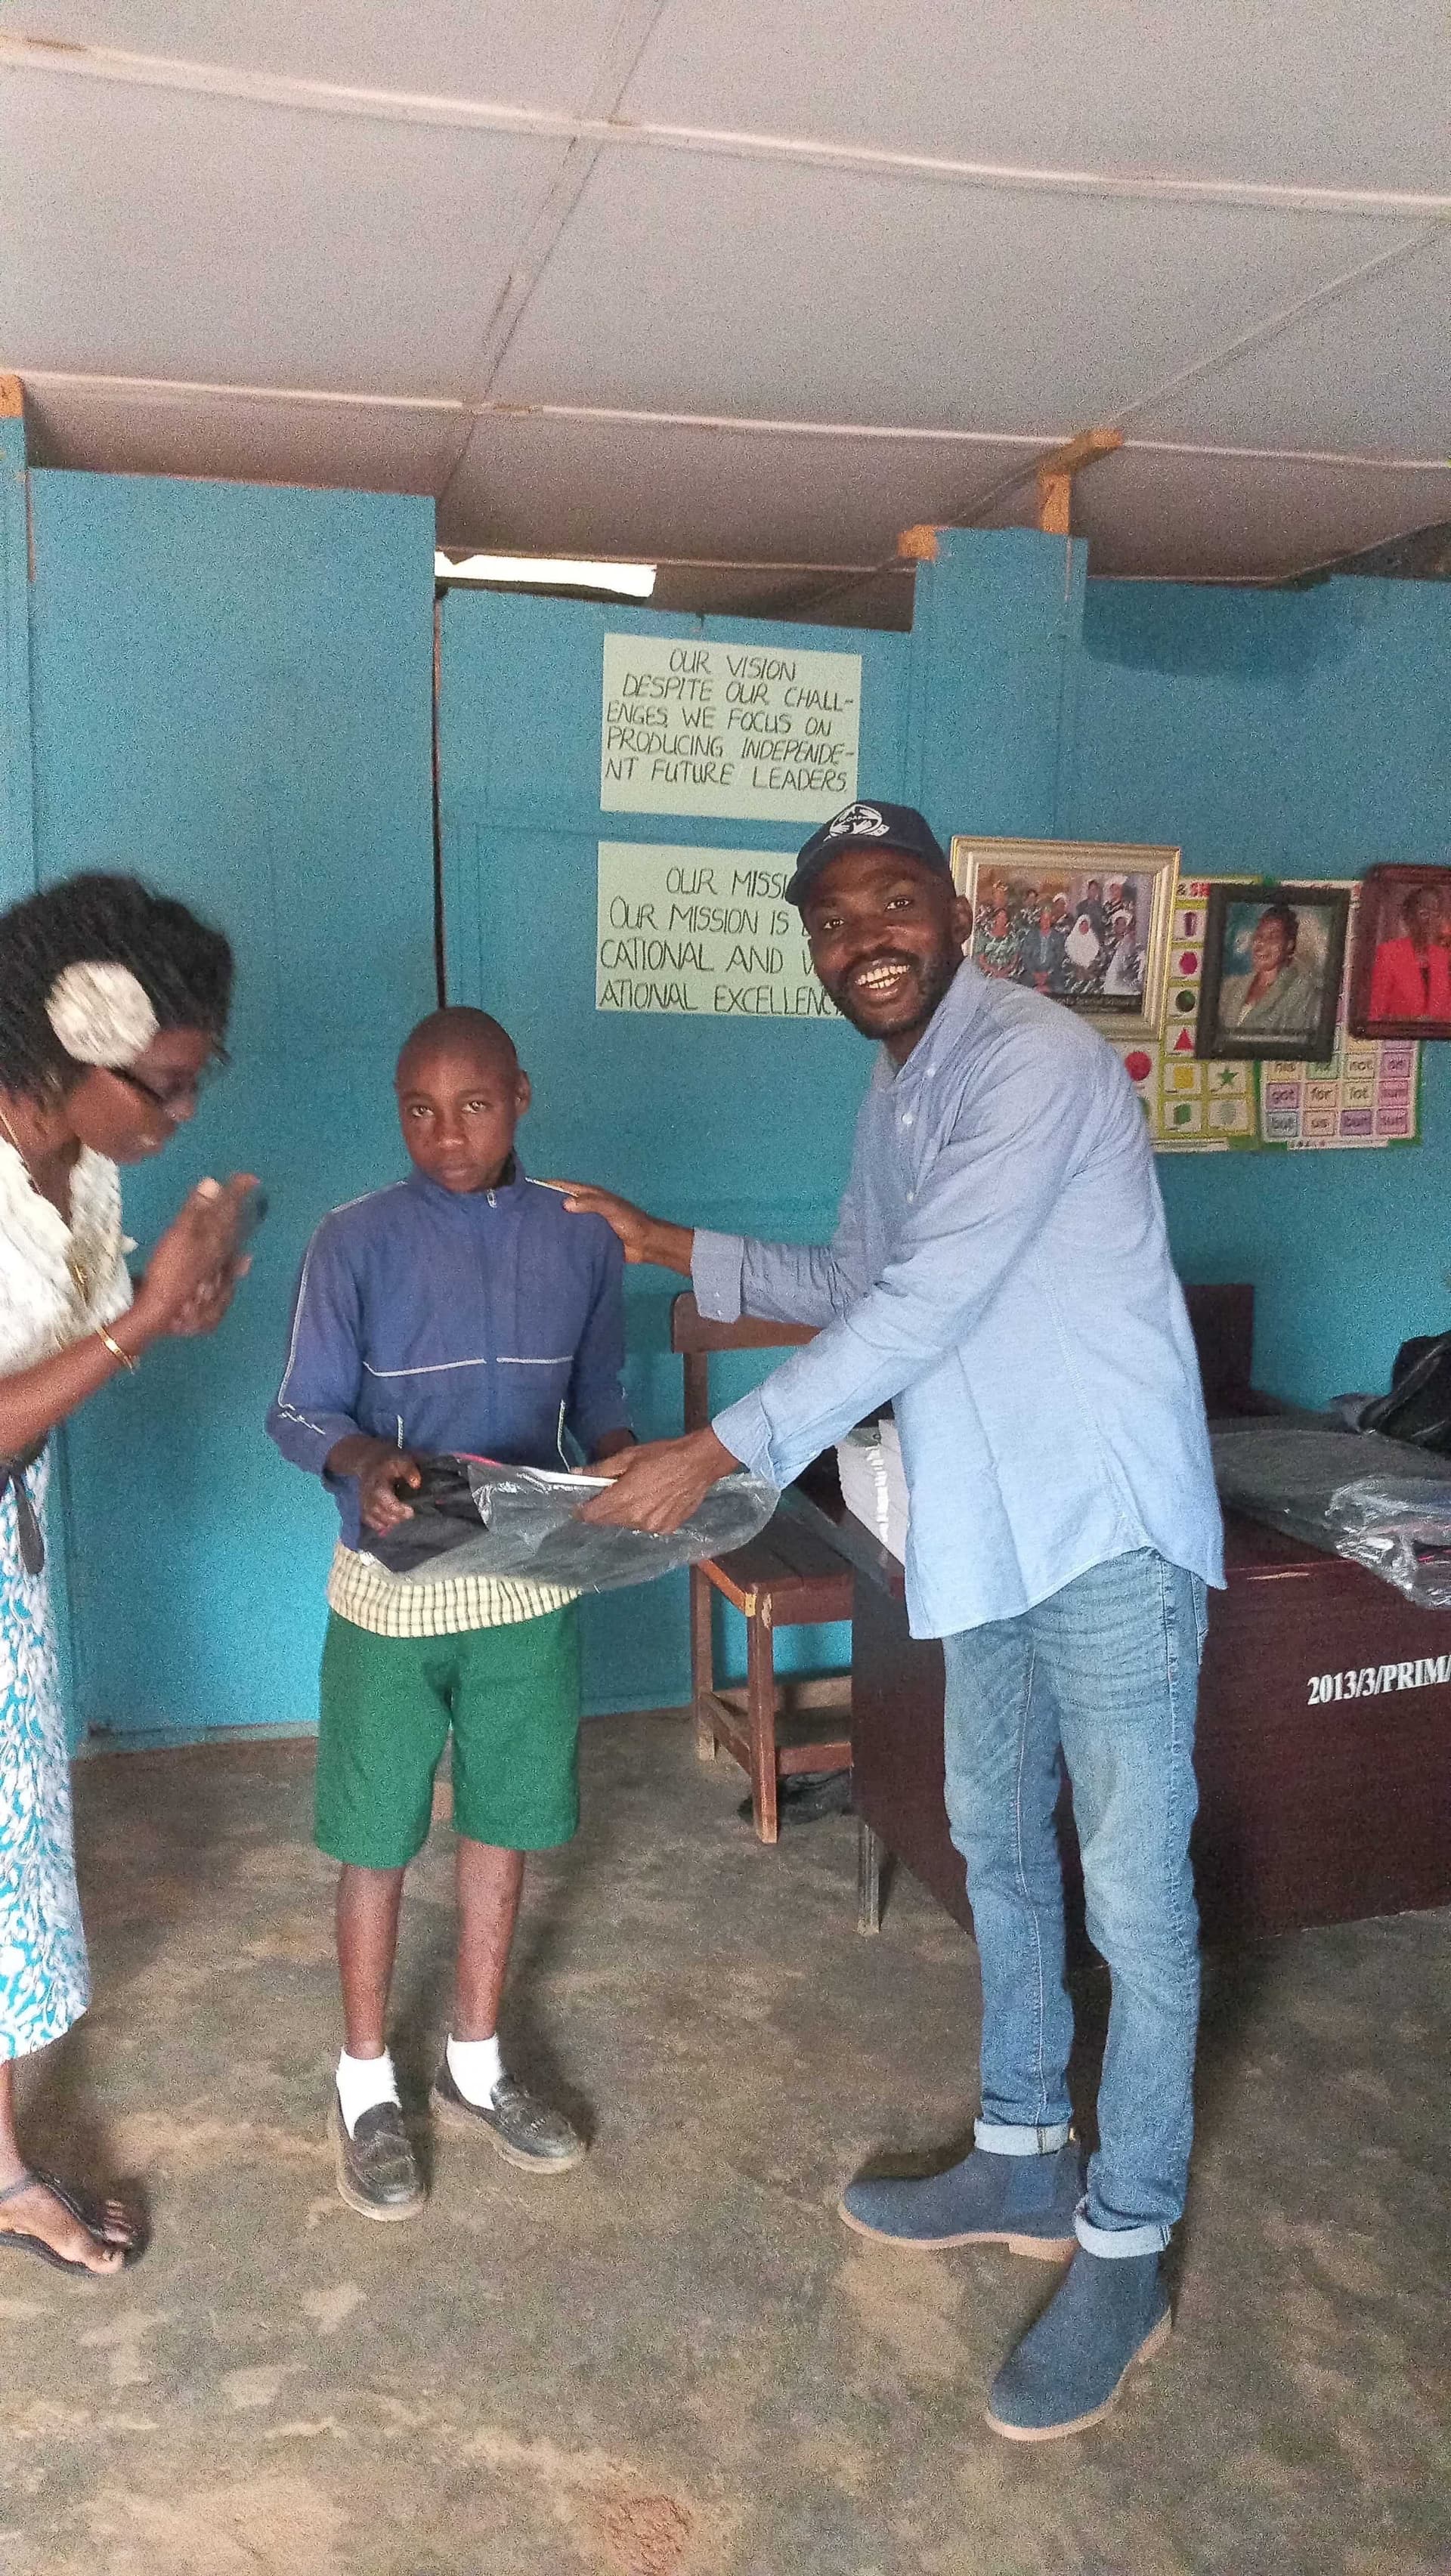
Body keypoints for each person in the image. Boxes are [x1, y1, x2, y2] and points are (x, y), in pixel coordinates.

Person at [560, 799, 1223, 2441]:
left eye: (893, 901)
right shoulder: (897, 1088)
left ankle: (1125, 2240)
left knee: (1136, 1904)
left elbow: (931, 1300)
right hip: (985, 1539)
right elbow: (865, 1276)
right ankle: (1019, 2155)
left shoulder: (1038, 1060)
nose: (865, 935)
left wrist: (721, 1446)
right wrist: (675, 1244)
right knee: (996, 1845)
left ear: (958, 913)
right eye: (834, 915)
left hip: (1109, 1537)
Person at [267, 1007, 633, 2223]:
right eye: (418, 1109)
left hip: (527, 1581)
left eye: (472, 1105)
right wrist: (365, 1456)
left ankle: (475, 2062)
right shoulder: (353, 1240)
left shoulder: (580, 1242)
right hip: (391, 1587)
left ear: (520, 1095)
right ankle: (365, 2079)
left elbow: (601, 1405)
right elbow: (300, 1412)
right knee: (373, 1832)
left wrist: (636, 1473)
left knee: (507, 1815)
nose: (445, 1133)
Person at [0, 874, 252, 2278]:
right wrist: (142, 1320)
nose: (180, 1113)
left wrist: (160, 1317)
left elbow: (66, 1351)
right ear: (73, 1045)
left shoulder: (78, 1171)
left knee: (5, 1858)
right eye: (162, 1082)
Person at [1218, 901, 1318, 1036]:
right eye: (1259, 935)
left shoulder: (1304, 993)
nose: (1261, 942)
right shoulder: (1230, 987)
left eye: (1273, 937)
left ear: (1289, 945)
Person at [1367, 882, 1451, 1022]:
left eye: (1436, 914)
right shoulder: (1387, 953)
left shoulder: (1443, 957)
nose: (1431, 920)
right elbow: (1375, 1014)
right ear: (1409, 918)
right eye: (1424, 913)